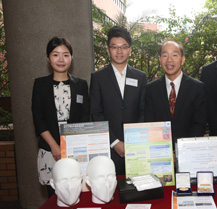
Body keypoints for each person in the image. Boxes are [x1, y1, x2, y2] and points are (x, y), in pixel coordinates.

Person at [32, 37, 90, 197]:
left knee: (77, 193)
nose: (61, 59)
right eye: (55, 54)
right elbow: (38, 117)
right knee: (53, 196)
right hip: (49, 148)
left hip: (75, 147)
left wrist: (69, 145)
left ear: (71, 57)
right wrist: (54, 145)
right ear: (48, 57)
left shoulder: (81, 84)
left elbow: (85, 116)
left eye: (66, 54)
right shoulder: (40, 85)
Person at [90, 26, 147, 175]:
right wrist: (115, 142)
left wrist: (133, 140)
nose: (119, 51)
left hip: (135, 147)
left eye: (123, 47)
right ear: (108, 50)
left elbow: (143, 111)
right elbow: (96, 113)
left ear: (129, 50)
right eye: (115, 47)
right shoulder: (98, 78)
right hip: (108, 148)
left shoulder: (140, 77)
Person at [145, 39, 206, 146]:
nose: (169, 60)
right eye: (165, 55)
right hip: (160, 152)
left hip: (188, 151)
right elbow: (150, 124)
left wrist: (181, 150)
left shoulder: (197, 88)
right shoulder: (151, 89)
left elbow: (199, 124)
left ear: (182, 60)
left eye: (174, 55)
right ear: (160, 60)